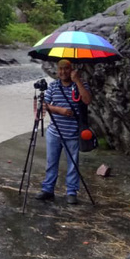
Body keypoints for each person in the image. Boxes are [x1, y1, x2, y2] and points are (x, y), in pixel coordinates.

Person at [34, 59, 92, 205]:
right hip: (54, 132)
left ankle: (71, 192)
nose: (63, 72)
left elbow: (87, 100)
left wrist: (77, 81)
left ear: (71, 69)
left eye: (66, 69)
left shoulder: (81, 85)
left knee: (73, 164)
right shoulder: (53, 86)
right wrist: (59, 110)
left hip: (73, 133)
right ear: (57, 71)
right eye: (60, 69)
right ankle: (48, 189)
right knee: (51, 162)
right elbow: (44, 104)